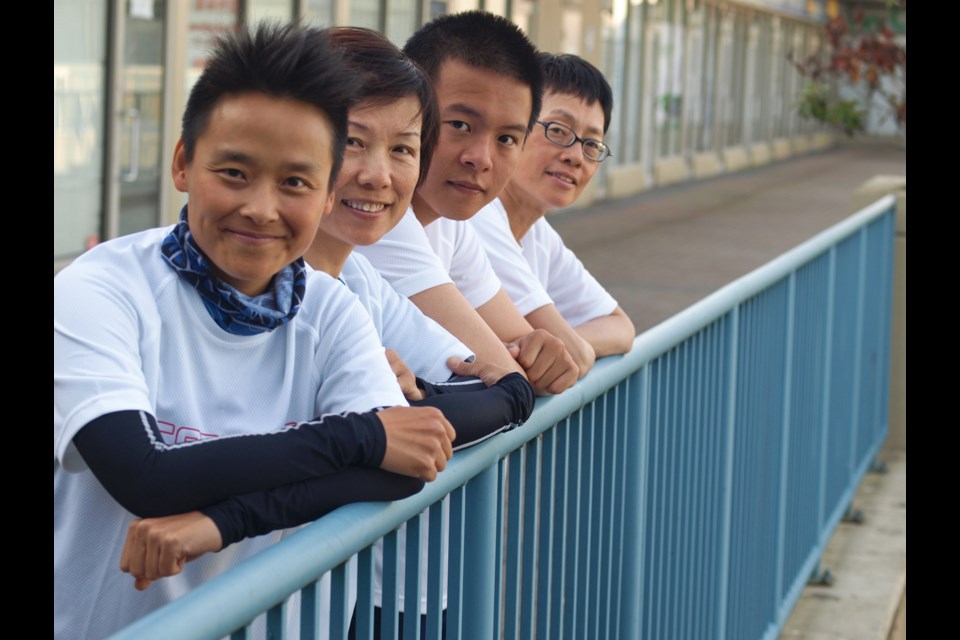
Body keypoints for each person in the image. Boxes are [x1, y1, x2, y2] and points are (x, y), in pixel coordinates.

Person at [53, 23, 456, 640]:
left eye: (295, 182)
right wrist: (360, 435)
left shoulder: (328, 309)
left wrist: (221, 523)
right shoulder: (101, 289)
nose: (262, 209)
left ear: (324, 197)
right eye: (235, 173)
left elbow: (400, 469)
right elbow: (143, 475)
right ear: (184, 164)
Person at [356, 11, 581, 396]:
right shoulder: (375, 215)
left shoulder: (453, 224)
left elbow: (522, 355)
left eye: (507, 139)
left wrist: (543, 358)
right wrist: (524, 368)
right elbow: (510, 380)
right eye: (460, 125)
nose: (481, 158)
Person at [470, 53, 636, 359]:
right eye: (559, 131)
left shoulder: (538, 234)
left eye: (591, 144)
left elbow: (621, 327)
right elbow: (547, 347)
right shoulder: (475, 216)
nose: (576, 156)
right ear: (513, 127)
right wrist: (572, 348)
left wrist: (574, 346)